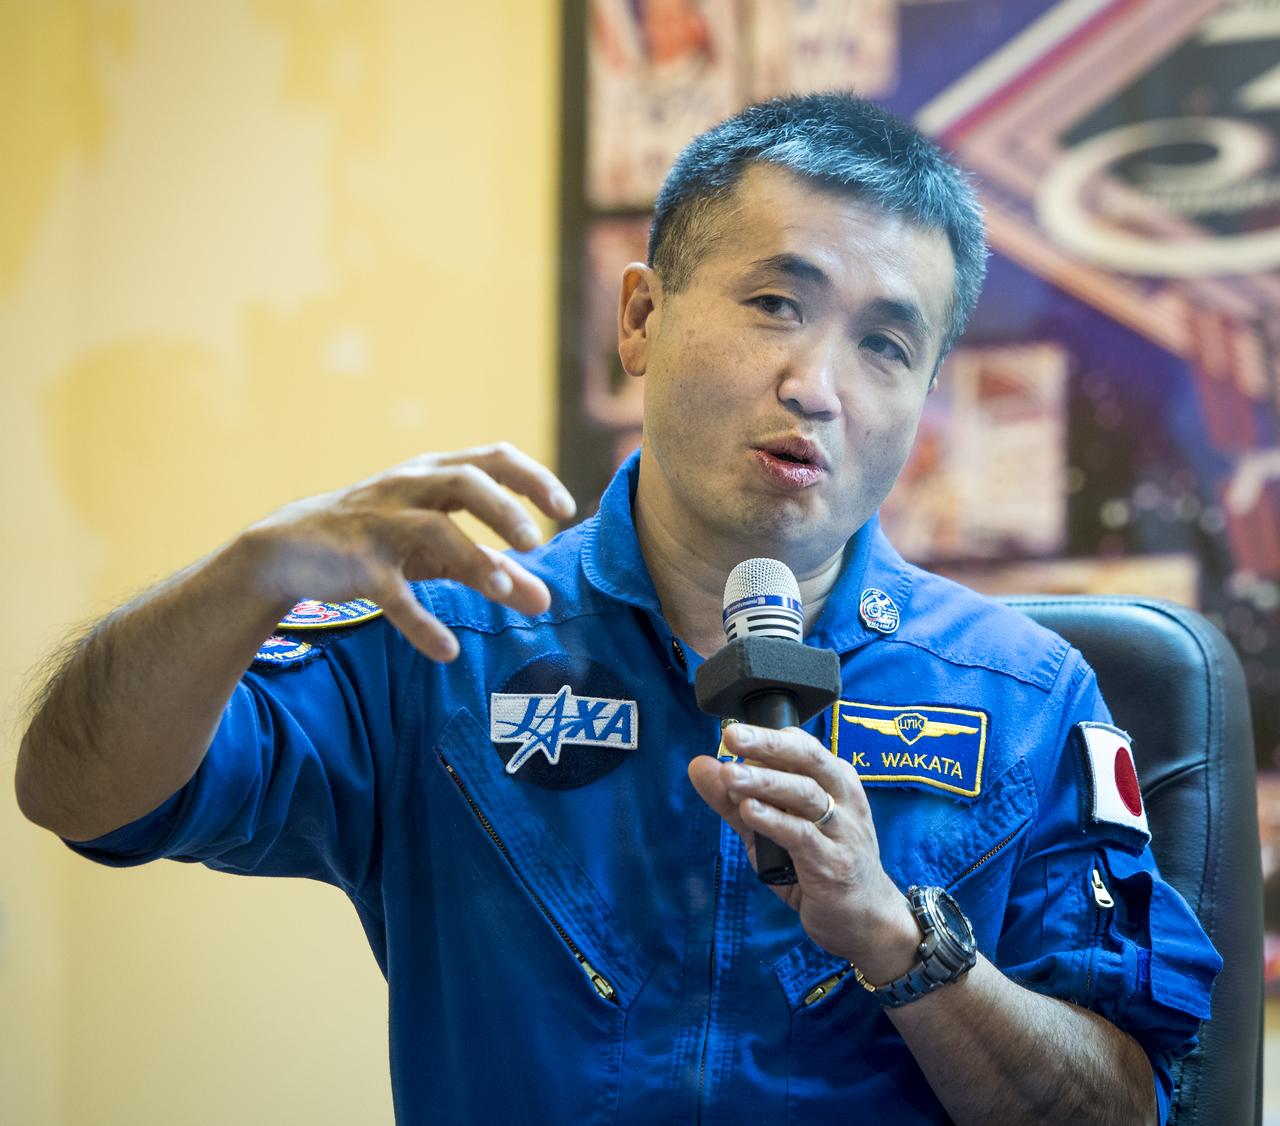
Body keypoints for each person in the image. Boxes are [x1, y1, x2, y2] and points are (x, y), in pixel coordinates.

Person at [16, 93, 1219, 1125]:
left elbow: (1123, 1102)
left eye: (886, 344)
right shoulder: (448, 640)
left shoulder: (1021, 696)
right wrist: (248, 576)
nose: (816, 386)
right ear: (638, 317)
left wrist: (901, 945)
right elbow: (77, 790)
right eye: (773, 304)